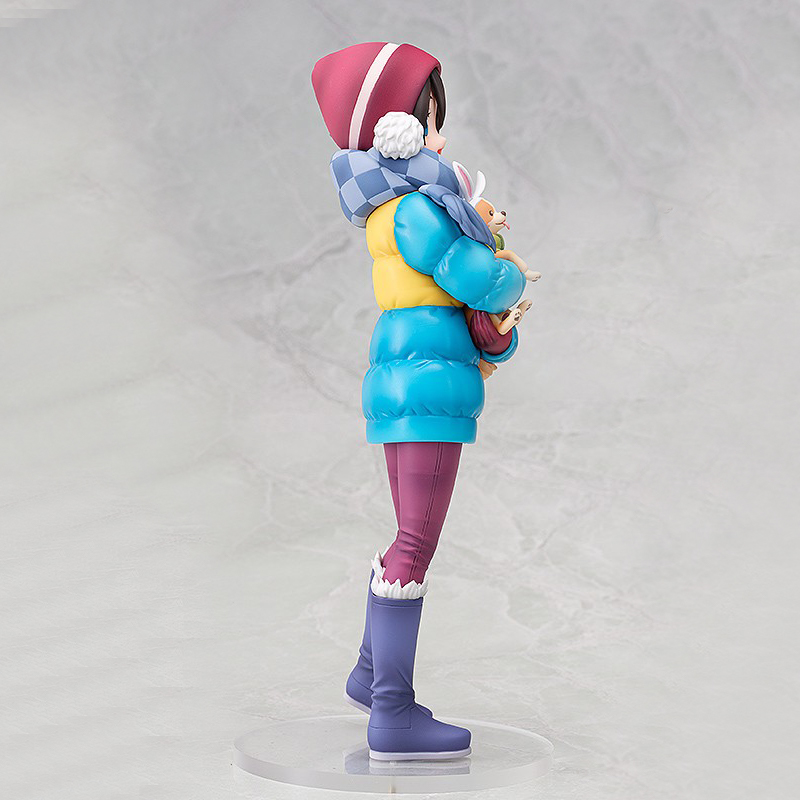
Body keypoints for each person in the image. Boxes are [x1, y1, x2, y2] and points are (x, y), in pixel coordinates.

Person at [311, 42, 526, 762]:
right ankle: (392, 712)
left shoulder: (397, 205)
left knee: (409, 533)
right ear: (396, 123)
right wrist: (504, 264)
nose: (440, 134)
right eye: (431, 118)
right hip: (427, 382)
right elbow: (474, 278)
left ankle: (369, 675)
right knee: (415, 542)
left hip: (411, 375)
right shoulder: (417, 210)